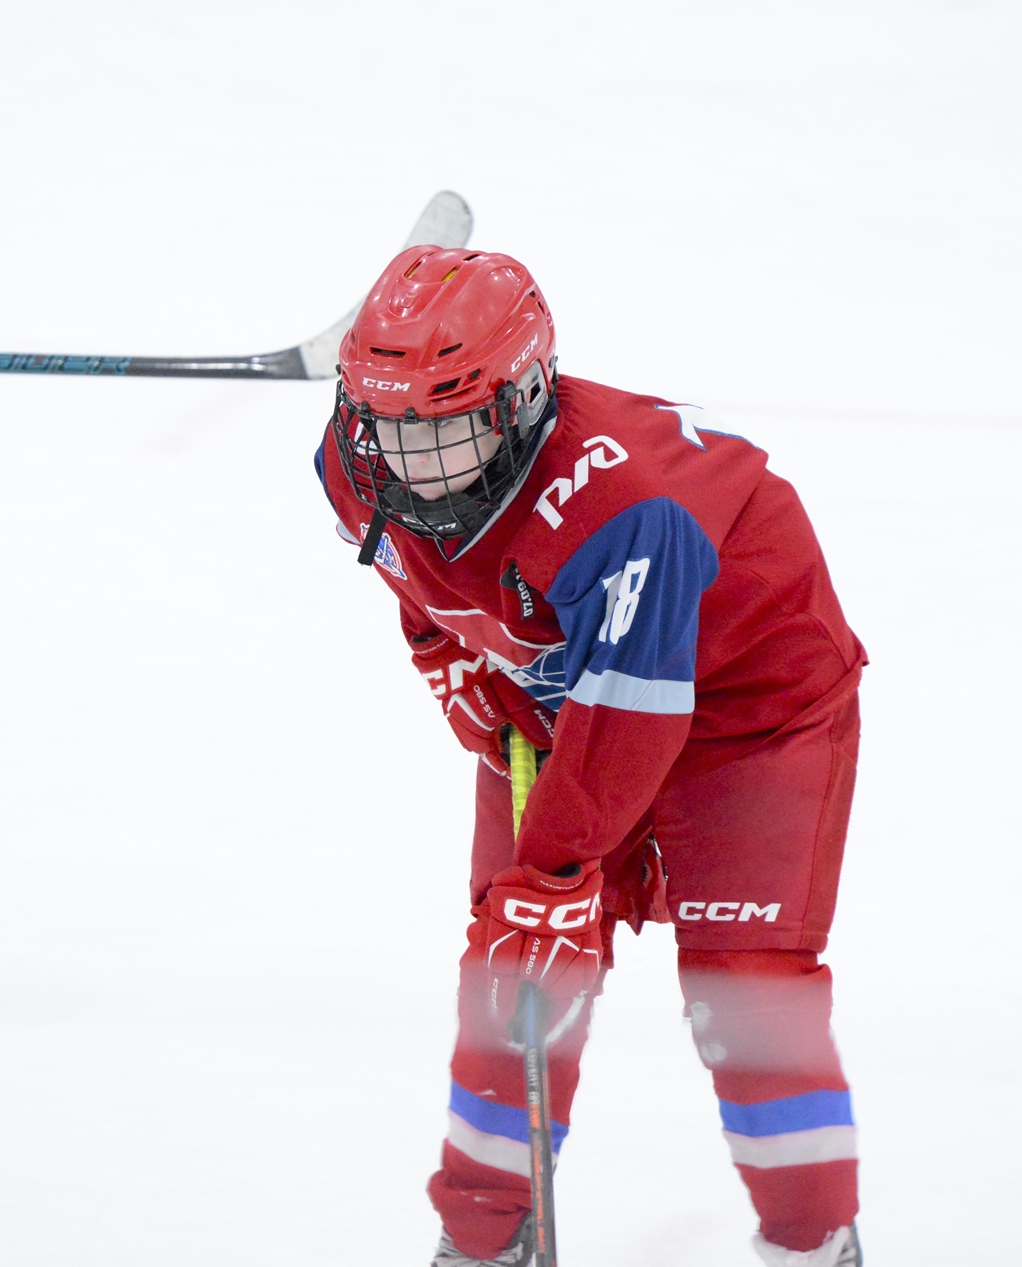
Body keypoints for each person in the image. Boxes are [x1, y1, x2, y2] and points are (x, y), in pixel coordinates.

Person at [316, 248, 868, 1267]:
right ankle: (484, 1239)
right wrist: (450, 657)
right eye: (391, 428)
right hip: (571, 687)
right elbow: (417, 570)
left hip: (752, 708)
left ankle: (810, 1241)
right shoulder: (355, 464)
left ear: (524, 396)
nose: (412, 462)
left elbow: (631, 716)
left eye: (446, 430)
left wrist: (556, 865)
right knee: (514, 965)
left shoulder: (626, 509)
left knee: (747, 991)